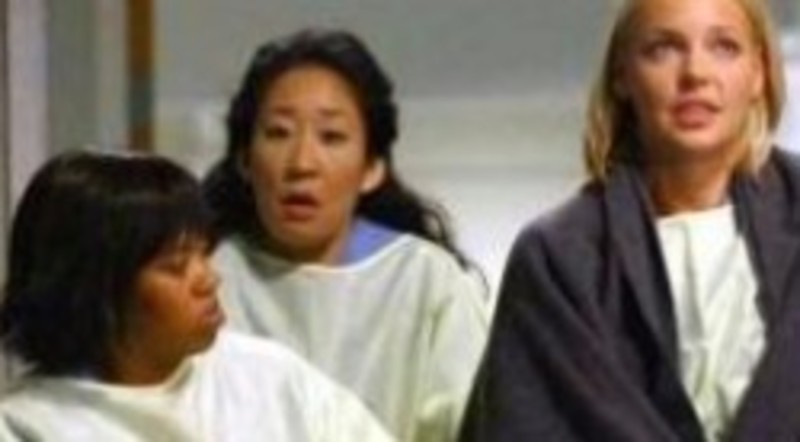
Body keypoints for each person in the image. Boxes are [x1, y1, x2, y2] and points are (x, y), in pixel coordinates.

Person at [459, 0, 794, 441]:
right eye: (662, 49)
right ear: (622, 76)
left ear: (759, 73)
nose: (695, 73)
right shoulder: (557, 259)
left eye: (724, 47)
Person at [203, 28, 488, 441]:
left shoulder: (426, 282)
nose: (302, 163)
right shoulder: (207, 279)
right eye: (278, 133)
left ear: (372, 167)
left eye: (331, 137)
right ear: (245, 159)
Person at [0, 151, 393, 441]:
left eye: (204, 254)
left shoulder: (269, 379)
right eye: (176, 266)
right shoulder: (26, 425)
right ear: (95, 290)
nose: (209, 279)